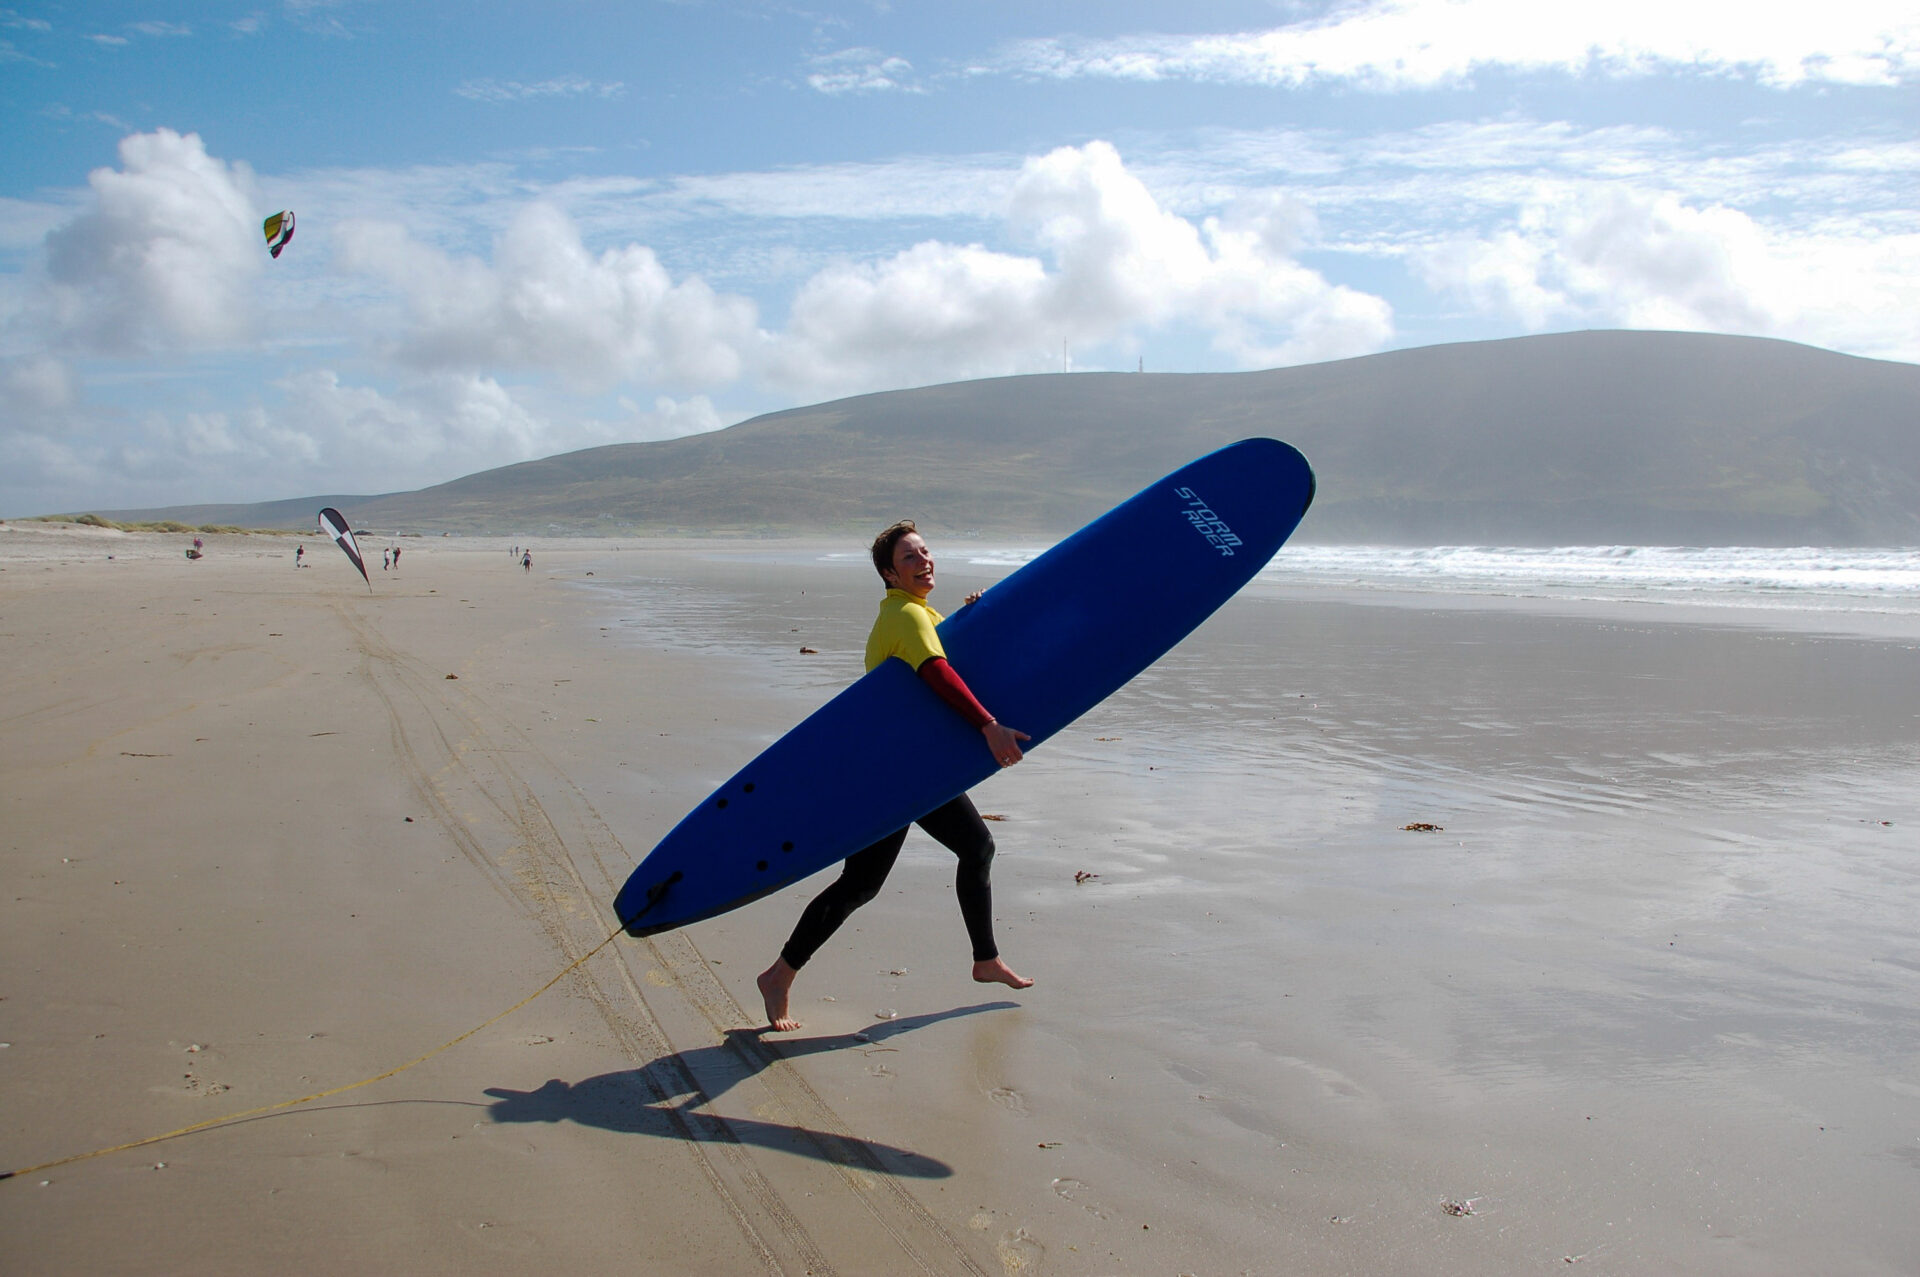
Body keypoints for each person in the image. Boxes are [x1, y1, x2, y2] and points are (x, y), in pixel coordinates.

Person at [757, 521, 1034, 1032]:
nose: (924, 560)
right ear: (889, 573)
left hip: (906, 769)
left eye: (926, 551)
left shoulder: (917, 614)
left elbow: (948, 654)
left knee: (959, 853)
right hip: (891, 774)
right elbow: (936, 671)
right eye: (910, 557)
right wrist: (989, 727)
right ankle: (779, 975)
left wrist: (974, 618)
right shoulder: (905, 616)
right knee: (866, 883)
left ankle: (985, 959)